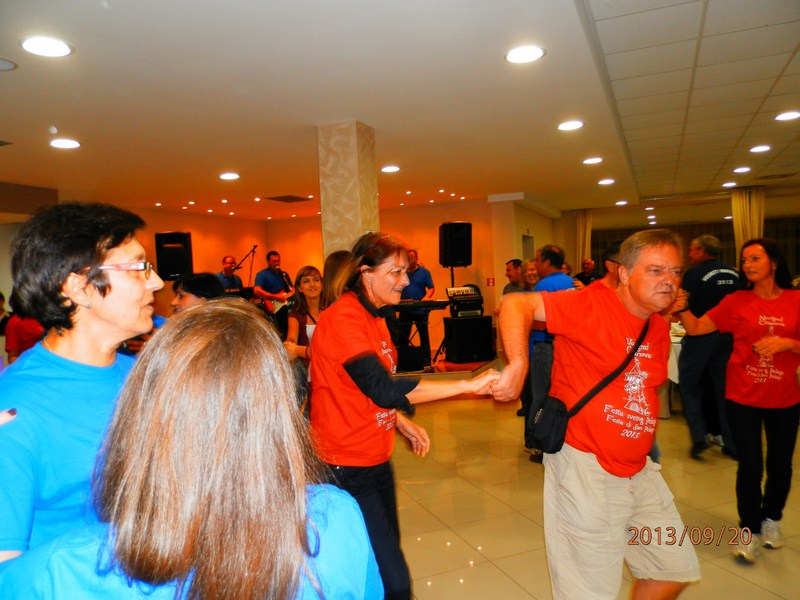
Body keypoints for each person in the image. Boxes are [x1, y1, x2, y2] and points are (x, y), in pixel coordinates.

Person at [0, 300, 383, 599]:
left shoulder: (60, 570)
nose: (153, 281)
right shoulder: (334, 521)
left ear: (136, 416)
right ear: (280, 414)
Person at [493, 229, 700, 599]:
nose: (669, 280)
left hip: (640, 471)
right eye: (656, 270)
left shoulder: (656, 324)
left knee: (672, 569)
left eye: (675, 271)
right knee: (589, 591)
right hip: (586, 470)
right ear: (624, 272)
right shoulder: (590, 304)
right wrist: (518, 364)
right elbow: (514, 304)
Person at [310, 232, 499, 599]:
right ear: (365, 273)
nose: (406, 280)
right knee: (391, 578)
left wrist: (399, 421)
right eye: (395, 272)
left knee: (383, 562)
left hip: (376, 456)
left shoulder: (376, 316)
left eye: (406, 271)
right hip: (344, 464)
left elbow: (360, 386)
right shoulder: (343, 319)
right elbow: (382, 388)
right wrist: (467, 385)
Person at [0, 203, 164, 563]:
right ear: (79, 287)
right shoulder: (14, 412)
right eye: (139, 268)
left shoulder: (148, 377)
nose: (157, 282)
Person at [679, 238, 800, 562]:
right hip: (742, 396)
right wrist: (682, 308)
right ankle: (749, 529)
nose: (747, 265)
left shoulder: (796, 300)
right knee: (750, 466)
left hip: (785, 398)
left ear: (774, 262)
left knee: (780, 466)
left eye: (755, 258)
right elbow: (697, 328)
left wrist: (788, 344)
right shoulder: (736, 300)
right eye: (744, 260)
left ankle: (771, 519)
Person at [678, 235, 740, 460]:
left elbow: (683, 302)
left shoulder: (694, 274)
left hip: (701, 334)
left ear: (701, 250)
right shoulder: (734, 273)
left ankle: (699, 436)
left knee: (689, 385)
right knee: (725, 389)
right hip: (729, 337)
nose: (690, 254)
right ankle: (732, 443)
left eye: (692, 249)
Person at [525, 245, 575, 462]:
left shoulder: (544, 285)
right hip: (566, 347)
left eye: (537, 260)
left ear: (546, 262)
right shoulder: (570, 282)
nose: (536, 265)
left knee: (539, 395)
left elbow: (537, 320)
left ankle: (535, 444)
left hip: (546, 346)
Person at [284, 265, 323, 412]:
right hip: (311, 370)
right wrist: (291, 344)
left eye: (316, 280)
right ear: (299, 288)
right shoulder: (296, 315)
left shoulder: (332, 310)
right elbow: (291, 339)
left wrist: (297, 350)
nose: (312, 284)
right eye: (306, 281)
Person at [397, 249, 435, 366]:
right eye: (408, 258)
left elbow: (431, 288)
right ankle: (402, 361)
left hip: (420, 310)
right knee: (403, 336)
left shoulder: (424, 272)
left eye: (411, 258)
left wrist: (427, 297)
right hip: (405, 309)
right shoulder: (402, 272)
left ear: (416, 259)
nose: (410, 260)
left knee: (423, 336)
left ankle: (426, 361)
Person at [254, 250, 295, 338]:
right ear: (268, 261)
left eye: (278, 261)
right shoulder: (262, 274)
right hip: (272, 307)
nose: (277, 263)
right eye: (274, 261)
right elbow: (257, 290)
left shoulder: (283, 274)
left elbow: (292, 289)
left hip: (285, 307)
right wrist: (274, 297)